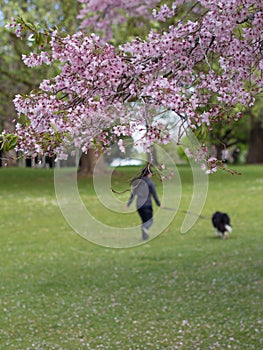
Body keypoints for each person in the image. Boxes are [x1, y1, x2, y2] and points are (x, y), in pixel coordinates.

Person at [126, 165, 162, 240]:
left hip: (139, 205)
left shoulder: (138, 182)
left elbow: (133, 194)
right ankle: (145, 228)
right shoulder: (150, 183)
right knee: (150, 221)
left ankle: (144, 237)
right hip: (147, 205)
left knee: (144, 220)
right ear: (148, 174)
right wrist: (159, 204)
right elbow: (154, 195)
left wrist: (128, 204)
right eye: (151, 174)